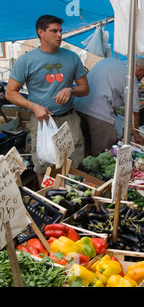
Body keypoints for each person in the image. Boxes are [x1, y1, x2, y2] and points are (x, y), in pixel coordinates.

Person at [5, 15, 89, 186]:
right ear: (41, 33)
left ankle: (72, 201)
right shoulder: (26, 61)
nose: (59, 35)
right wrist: (33, 106)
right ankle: (49, 200)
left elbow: (85, 88)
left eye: (60, 31)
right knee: (44, 166)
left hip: (69, 119)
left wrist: (70, 89)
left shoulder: (72, 57)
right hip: (42, 121)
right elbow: (10, 93)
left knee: (73, 163)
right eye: (54, 31)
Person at [74, 57, 144, 157]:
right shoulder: (131, 77)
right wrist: (137, 135)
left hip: (78, 105)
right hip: (98, 111)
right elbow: (133, 110)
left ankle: (82, 169)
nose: (140, 80)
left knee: (86, 146)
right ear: (139, 70)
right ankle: (94, 171)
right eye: (142, 76)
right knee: (104, 151)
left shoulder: (110, 61)